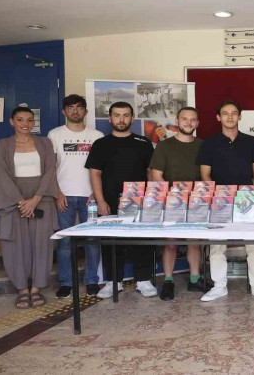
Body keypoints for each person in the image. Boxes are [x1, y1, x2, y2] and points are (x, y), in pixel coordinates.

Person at [86, 102, 157, 299]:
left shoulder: (143, 143)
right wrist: (100, 200)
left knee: (142, 241)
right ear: (110, 119)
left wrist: (151, 199)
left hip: (139, 201)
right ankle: (113, 282)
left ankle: (144, 280)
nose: (121, 119)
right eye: (117, 115)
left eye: (126, 115)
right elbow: (95, 174)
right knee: (111, 241)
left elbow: (150, 172)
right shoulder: (101, 144)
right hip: (110, 201)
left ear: (132, 118)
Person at [0, 106, 59, 309]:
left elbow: (50, 171)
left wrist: (36, 199)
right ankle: (22, 289)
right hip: (13, 198)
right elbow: (1, 173)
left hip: (41, 196)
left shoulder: (45, 142)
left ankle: (37, 288)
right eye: (20, 119)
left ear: (34, 122)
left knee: (42, 243)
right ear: (12, 122)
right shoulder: (3, 144)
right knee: (15, 244)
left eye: (29, 120)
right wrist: (21, 201)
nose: (25, 124)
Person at [197, 100, 254, 302]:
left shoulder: (251, 142)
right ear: (218, 117)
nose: (230, 117)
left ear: (240, 116)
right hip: (220, 200)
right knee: (217, 246)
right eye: (225, 113)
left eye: (234, 113)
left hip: (246, 199)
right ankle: (219, 286)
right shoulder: (209, 143)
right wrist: (216, 196)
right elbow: (205, 174)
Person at [47, 95, 104, 299]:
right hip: (64, 196)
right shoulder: (54, 134)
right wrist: (57, 193)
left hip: (90, 197)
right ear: (64, 111)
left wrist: (95, 193)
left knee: (92, 240)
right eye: (70, 107)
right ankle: (66, 283)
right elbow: (50, 167)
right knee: (64, 242)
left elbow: (101, 169)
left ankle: (91, 281)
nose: (75, 111)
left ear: (85, 111)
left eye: (79, 107)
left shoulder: (97, 136)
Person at [149, 106, 206, 300]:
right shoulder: (165, 146)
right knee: (170, 243)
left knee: (194, 241)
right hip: (171, 202)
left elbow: (207, 174)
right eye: (184, 119)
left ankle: (194, 279)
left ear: (197, 123)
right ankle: (168, 281)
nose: (188, 123)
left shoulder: (203, 145)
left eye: (192, 119)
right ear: (177, 121)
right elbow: (156, 175)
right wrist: (172, 198)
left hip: (197, 201)